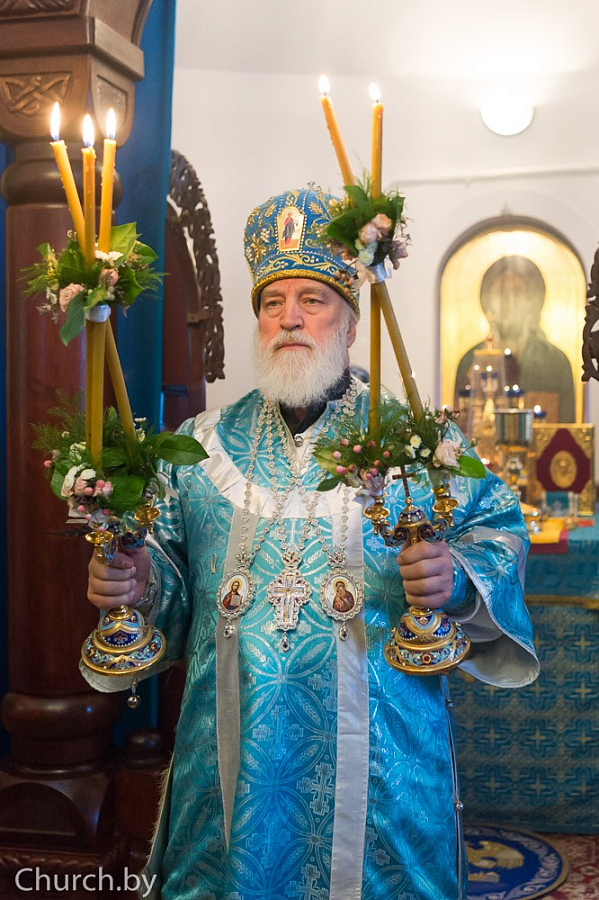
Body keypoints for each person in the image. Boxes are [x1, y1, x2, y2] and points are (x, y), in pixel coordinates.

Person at [85, 187, 538, 900]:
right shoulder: (198, 447)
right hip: (230, 755)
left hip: (381, 757)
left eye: (312, 299)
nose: (289, 317)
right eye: (272, 302)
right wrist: (137, 584)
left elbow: (499, 531)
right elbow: (168, 576)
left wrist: (455, 578)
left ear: (350, 323)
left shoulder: (419, 441)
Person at [454, 255, 575, 422]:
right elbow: (458, 428)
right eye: (501, 293)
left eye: (516, 292)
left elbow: (565, 430)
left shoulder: (555, 363)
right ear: (487, 302)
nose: (508, 302)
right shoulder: (471, 361)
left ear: (533, 302)